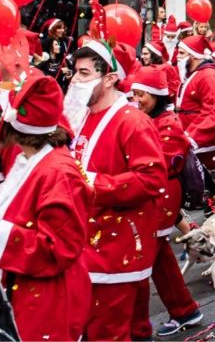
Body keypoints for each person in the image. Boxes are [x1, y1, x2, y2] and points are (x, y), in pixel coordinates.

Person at [0, 75, 91, 341]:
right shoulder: (33, 160)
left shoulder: (59, 173)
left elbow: (62, 247)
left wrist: (0, 234)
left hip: (50, 300)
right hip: (31, 291)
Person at [67, 41, 167, 340]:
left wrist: (92, 182)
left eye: (84, 74)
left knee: (107, 333)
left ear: (109, 77)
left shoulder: (133, 122)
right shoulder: (80, 116)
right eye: (75, 72)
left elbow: (152, 179)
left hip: (116, 246)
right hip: (84, 241)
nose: (74, 80)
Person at [128, 67, 203, 338]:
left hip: (162, 198)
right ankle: (185, 310)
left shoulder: (168, 123)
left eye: (142, 95)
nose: (136, 100)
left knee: (143, 260)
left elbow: (157, 164)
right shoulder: (147, 117)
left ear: (157, 95)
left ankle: (139, 326)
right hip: (157, 196)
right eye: (134, 94)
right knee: (159, 259)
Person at [176, 35, 215, 210]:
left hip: (208, 141)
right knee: (209, 183)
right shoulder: (193, 74)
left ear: (194, 55)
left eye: (181, 53)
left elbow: (213, 111)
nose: (178, 57)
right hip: (194, 138)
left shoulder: (208, 75)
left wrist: (191, 136)